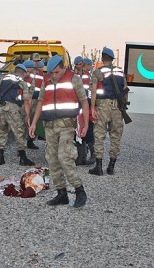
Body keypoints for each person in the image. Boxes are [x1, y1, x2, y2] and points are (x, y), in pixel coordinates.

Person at [29, 55, 89, 208]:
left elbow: (83, 101)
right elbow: (41, 102)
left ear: (63, 68)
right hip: (49, 125)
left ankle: (79, 190)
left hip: (67, 125)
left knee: (65, 156)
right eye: (52, 73)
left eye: (57, 72)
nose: (54, 76)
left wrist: (85, 123)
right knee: (52, 159)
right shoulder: (46, 80)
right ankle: (61, 193)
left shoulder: (74, 79)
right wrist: (33, 123)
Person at [89, 47, 128, 176]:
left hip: (102, 106)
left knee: (99, 136)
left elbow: (93, 90)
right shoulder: (120, 72)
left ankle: (98, 167)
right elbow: (125, 90)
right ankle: (111, 166)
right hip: (117, 107)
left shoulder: (98, 72)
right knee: (115, 136)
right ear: (112, 59)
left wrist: (92, 107)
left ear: (102, 58)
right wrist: (123, 107)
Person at [0, 63, 35, 166]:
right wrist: (27, 116)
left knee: (2, 131)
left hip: (0, 108)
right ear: (22, 73)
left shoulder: (4, 79)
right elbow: (26, 101)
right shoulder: (21, 82)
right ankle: (23, 158)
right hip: (12, 109)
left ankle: (0, 157)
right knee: (19, 131)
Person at [75, 57, 95, 166]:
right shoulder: (77, 76)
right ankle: (82, 155)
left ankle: (92, 154)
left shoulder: (86, 76)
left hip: (84, 105)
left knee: (87, 130)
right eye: (78, 64)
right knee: (78, 130)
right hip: (78, 106)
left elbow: (89, 92)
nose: (80, 66)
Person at [22, 59, 44, 149]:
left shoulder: (41, 75)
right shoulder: (26, 75)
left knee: (33, 120)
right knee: (25, 121)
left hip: (36, 100)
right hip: (26, 101)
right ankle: (22, 144)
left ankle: (30, 140)